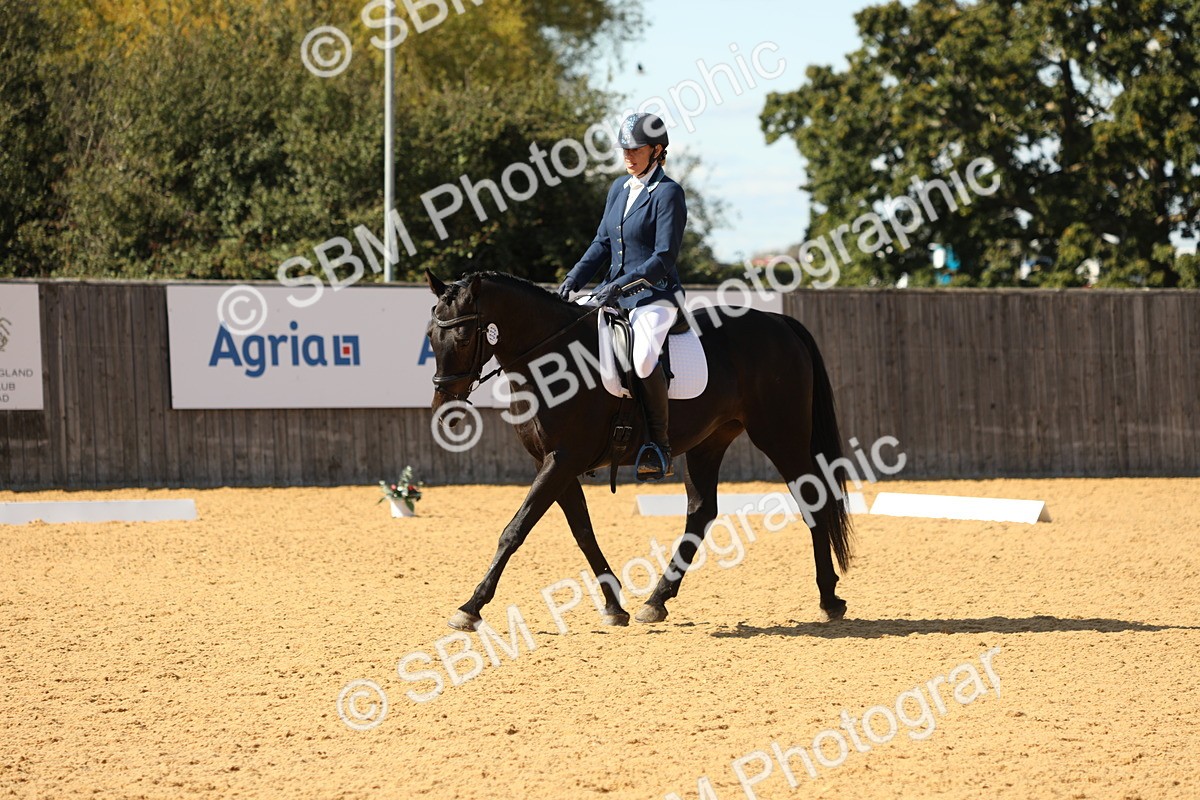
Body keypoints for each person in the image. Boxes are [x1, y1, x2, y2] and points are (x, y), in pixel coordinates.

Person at [557, 112, 686, 481]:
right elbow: (601, 243)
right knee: (572, 335)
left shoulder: (668, 193)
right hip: (615, 294)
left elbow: (664, 257)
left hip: (655, 296)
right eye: (624, 149)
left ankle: (659, 446)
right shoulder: (619, 188)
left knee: (644, 357)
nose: (627, 155)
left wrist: (621, 284)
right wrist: (572, 280)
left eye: (636, 149)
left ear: (657, 150)